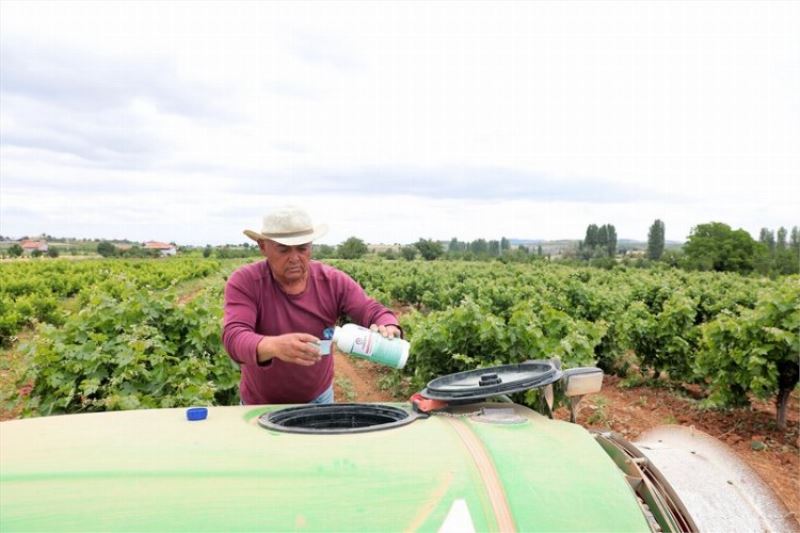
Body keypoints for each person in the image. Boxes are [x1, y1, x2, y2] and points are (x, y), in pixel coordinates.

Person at [222, 205, 402, 405]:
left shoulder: (333, 281)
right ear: (263, 247)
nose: (294, 258)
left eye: (302, 248)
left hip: (319, 400)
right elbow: (234, 337)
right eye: (283, 249)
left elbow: (370, 309)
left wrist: (387, 324)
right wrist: (274, 346)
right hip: (260, 403)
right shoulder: (245, 282)